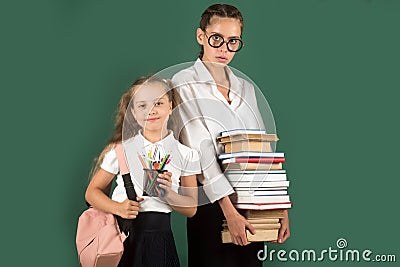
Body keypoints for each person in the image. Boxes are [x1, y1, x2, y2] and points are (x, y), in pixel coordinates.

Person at [172, 4, 290, 266]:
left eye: (233, 41)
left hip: (253, 201)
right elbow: (199, 149)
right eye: (217, 39)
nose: (224, 49)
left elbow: (261, 149)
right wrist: (229, 211)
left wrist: (278, 206)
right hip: (211, 203)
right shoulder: (182, 83)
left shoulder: (245, 88)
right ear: (200, 36)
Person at [85, 76, 200, 267]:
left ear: (170, 106)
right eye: (142, 105)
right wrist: (118, 207)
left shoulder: (187, 154)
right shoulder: (120, 150)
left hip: (160, 240)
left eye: (158, 103)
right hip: (123, 238)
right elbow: (91, 192)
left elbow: (191, 208)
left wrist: (168, 194)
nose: (151, 110)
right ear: (133, 113)